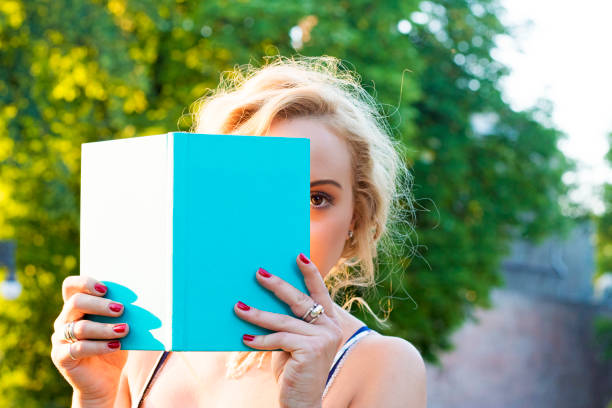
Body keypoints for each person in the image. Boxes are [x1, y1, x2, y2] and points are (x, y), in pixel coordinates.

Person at [50, 55, 427, 408]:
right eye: (257, 192)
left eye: (317, 198)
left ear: (355, 221)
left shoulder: (382, 364)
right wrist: (95, 397)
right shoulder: (150, 341)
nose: (288, 222)